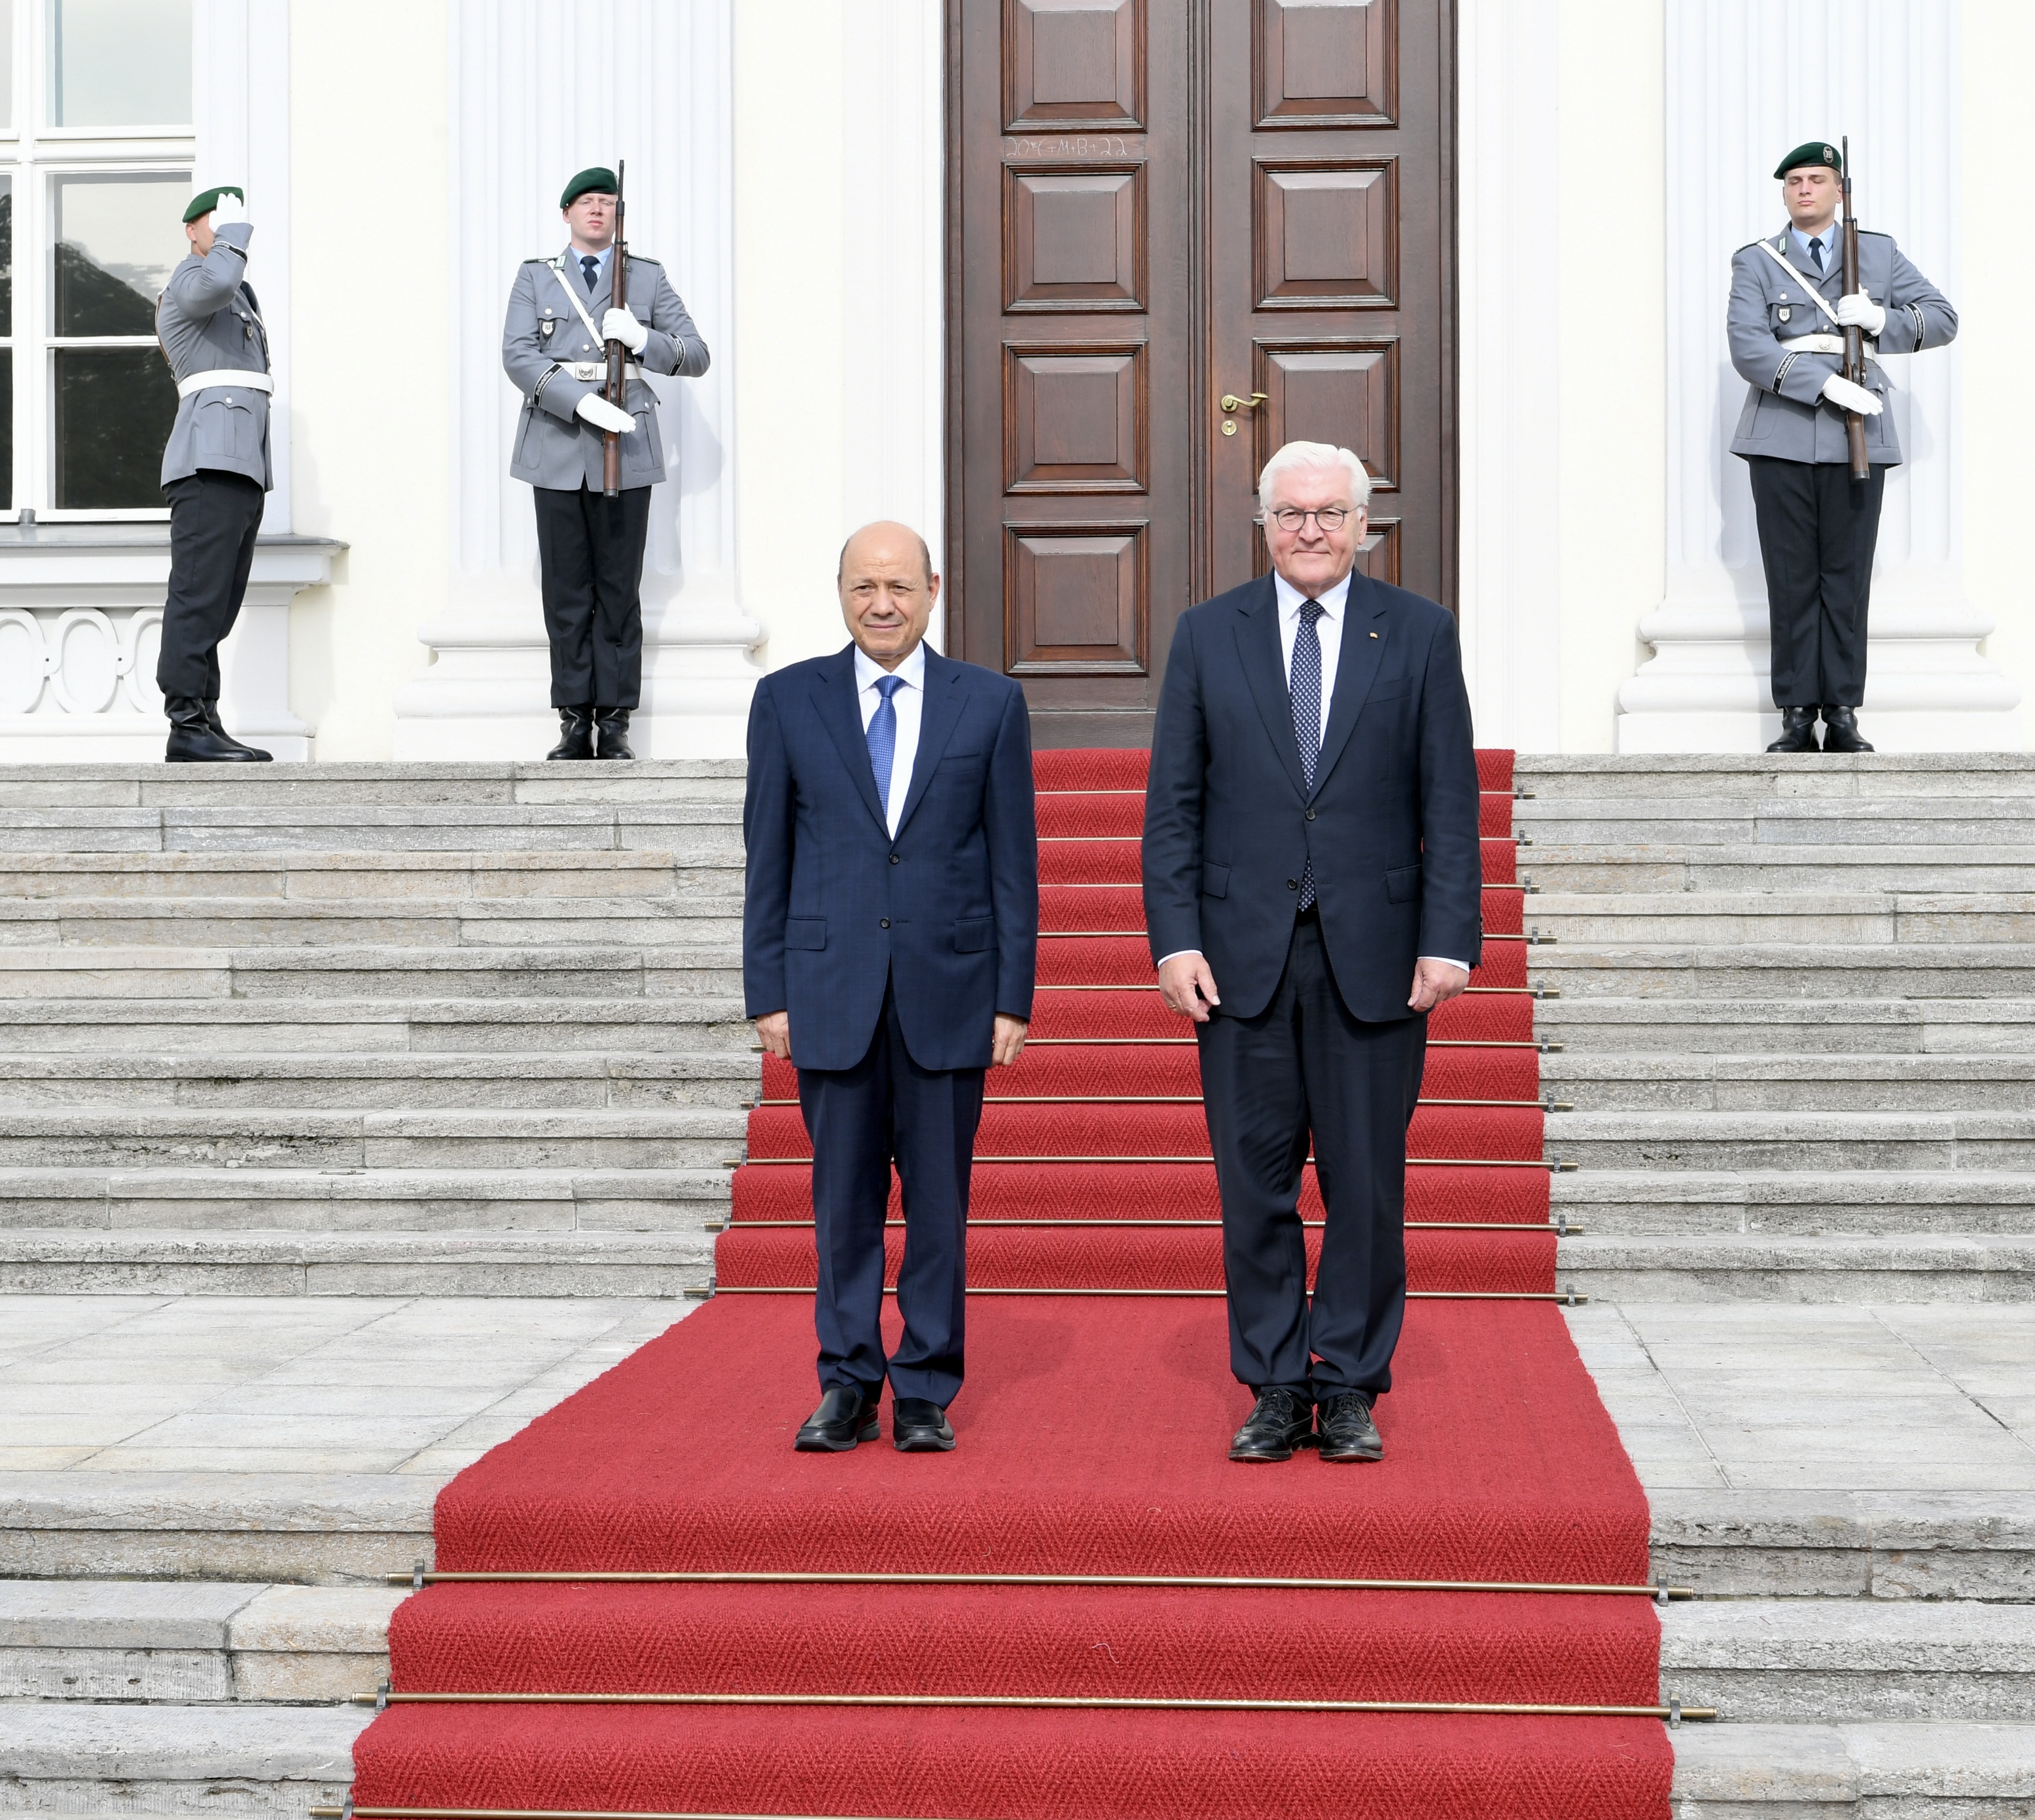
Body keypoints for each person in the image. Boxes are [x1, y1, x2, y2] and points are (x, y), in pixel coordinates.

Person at [1142, 442, 1481, 1465]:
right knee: (1254, 1185)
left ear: (1364, 523)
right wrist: (1174, 939)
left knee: (1367, 1185)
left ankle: (1346, 1383)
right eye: (1290, 514)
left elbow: (1449, 804)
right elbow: (1173, 808)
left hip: (1374, 959)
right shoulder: (1208, 636)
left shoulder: (1418, 634)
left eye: (1329, 513)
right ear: (1263, 523)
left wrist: (1448, 938)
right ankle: (1275, 1382)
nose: (1309, 531)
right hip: (1239, 958)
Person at [742, 522, 1037, 1455]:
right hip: (828, 992)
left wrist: (1011, 997)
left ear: (932, 590)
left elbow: (1011, 867)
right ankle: (846, 1380)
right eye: (865, 586)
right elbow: (768, 859)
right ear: (840, 591)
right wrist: (767, 993)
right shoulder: (787, 701)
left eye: (900, 587)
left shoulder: (988, 704)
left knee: (939, 1208)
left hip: (949, 993)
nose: (882, 603)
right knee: (842, 1204)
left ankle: (925, 1386)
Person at [1728, 141, 1956, 754]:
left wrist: (1885, 320)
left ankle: (1844, 711)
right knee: (1791, 577)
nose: (1804, 189)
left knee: (1847, 579)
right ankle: (1798, 714)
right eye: (1794, 181)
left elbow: (1942, 317)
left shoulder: (1877, 253)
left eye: (1817, 179)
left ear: (1838, 190)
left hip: (1860, 436)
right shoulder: (1757, 261)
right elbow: (1750, 349)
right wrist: (1822, 382)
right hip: (1780, 432)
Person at [502, 166, 711, 761]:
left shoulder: (645, 277)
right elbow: (518, 354)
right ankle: (573, 719)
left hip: (629, 448)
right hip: (559, 443)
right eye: (587, 202)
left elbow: (696, 353)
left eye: (608, 204)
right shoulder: (536, 278)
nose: (598, 211)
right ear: (566, 213)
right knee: (567, 591)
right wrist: (582, 402)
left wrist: (645, 340)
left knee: (619, 589)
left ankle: (615, 720)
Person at [156, 184, 274, 763]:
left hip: (241, 461)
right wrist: (234, 234)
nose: (228, 229)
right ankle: (185, 721)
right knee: (197, 595)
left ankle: (205, 716)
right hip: (207, 459)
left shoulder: (238, 296)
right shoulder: (191, 278)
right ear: (193, 230)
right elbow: (217, 283)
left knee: (219, 600)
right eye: (217, 221)